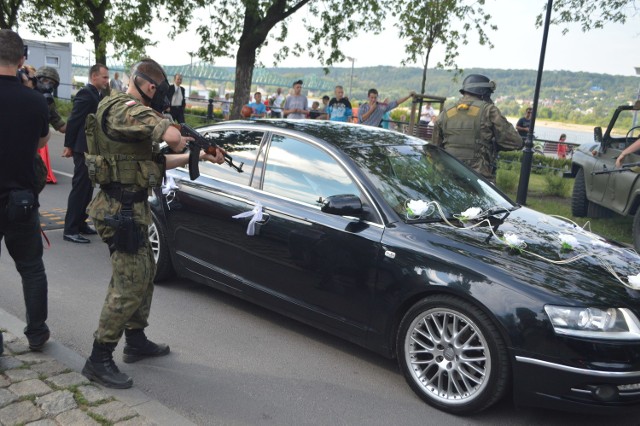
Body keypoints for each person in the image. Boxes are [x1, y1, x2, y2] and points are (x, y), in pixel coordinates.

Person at [81, 58, 225, 389]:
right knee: (128, 282)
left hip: (133, 210)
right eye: (162, 94)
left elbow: (157, 161)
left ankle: (135, 340)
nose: (163, 100)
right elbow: (171, 137)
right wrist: (178, 133)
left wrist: (200, 154)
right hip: (117, 210)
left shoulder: (135, 119)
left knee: (144, 274)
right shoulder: (122, 108)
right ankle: (98, 357)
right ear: (149, 88)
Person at [0, 29, 51, 352]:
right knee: (31, 268)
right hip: (20, 199)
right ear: (22, 60)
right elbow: (43, 141)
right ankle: (36, 331)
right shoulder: (34, 100)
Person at [432, 74, 523, 182]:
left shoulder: (446, 113)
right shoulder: (489, 110)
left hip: (449, 175)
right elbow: (516, 142)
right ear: (484, 92)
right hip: (479, 179)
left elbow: (435, 148)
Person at [62, 63, 110, 244]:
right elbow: (74, 120)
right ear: (94, 77)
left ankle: (81, 223)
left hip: (92, 149)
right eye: (104, 77)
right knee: (80, 188)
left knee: (88, 188)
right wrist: (69, 145)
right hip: (82, 148)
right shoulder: (85, 93)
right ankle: (70, 229)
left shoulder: (98, 94)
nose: (107, 80)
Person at [35, 66, 68, 185]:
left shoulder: (48, 102)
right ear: (37, 79)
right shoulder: (22, 93)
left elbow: (61, 126)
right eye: (45, 81)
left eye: (52, 83)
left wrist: (79, 121)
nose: (48, 85)